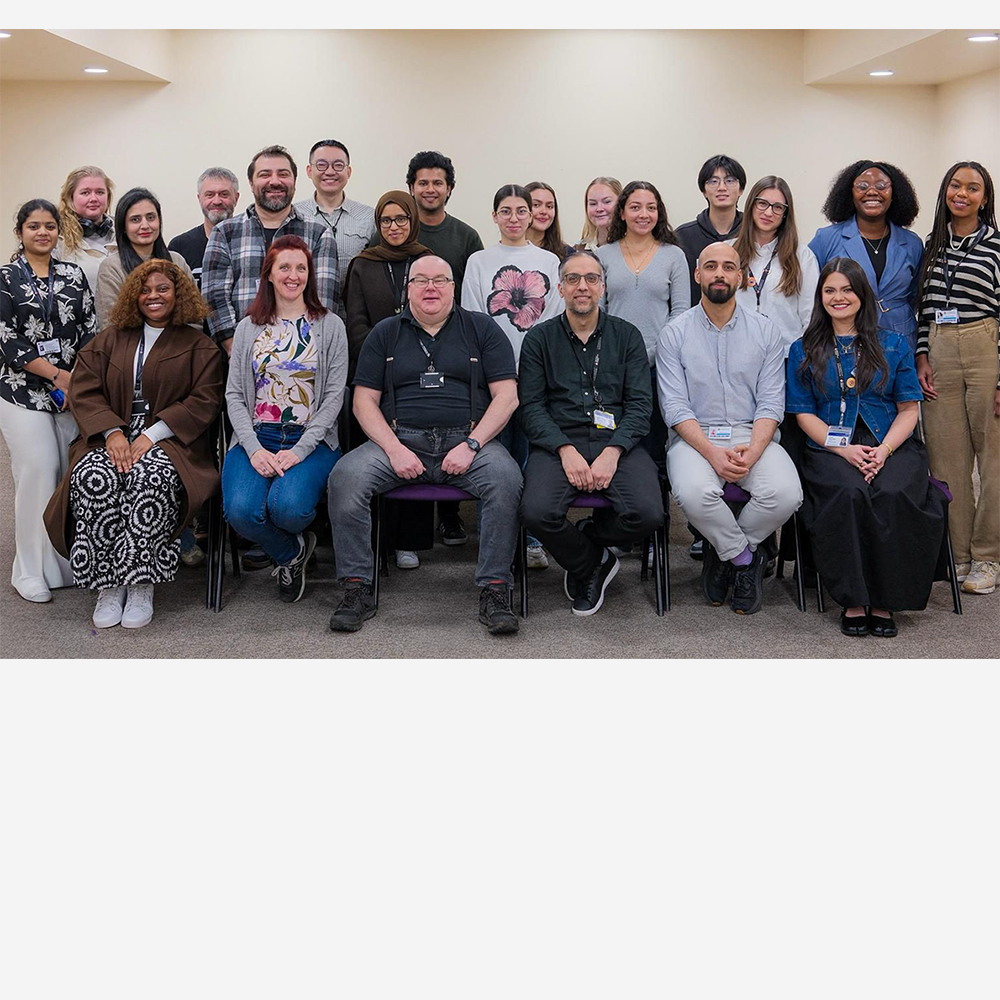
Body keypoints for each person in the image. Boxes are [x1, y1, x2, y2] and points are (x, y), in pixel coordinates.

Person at [327, 255, 522, 635]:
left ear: (453, 287)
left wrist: (472, 444)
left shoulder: (483, 329)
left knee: (506, 480)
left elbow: (507, 397)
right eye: (421, 280)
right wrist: (394, 449)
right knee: (345, 478)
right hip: (398, 442)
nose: (430, 287)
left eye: (439, 280)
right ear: (408, 289)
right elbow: (363, 402)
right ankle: (356, 588)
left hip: (468, 442)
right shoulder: (384, 333)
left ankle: (496, 590)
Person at [43, 260, 224, 629]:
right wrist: (111, 432)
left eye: (163, 289)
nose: (153, 296)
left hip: (171, 441)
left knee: (148, 478)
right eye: (145, 290)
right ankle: (108, 584)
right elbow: (84, 390)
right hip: (108, 436)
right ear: (133, 296)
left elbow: (204, 400)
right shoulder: (110, 339)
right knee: (93, 476)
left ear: (178, 294)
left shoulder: (199, 346)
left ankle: (141, 583)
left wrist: (151, 435)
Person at [786, 258, 946, 636]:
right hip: (830, 446)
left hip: (890, 443)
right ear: (820, 297)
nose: (838, 297)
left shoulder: (894, 343)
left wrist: (884, 451)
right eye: (829, 290)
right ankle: (854, 600)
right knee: (849, 492)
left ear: (862, 294)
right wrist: (843, 450)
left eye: (847, 289)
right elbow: (803, 414)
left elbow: (909, 410)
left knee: (892, 492)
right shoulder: (803, 348)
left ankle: (886, 599)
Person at [657, 242, 803, 615]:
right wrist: (711, 453)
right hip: (695, 438)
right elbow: (675, 407)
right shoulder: (674, 334)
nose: (719, 273)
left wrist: (753, 452)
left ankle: (724, 552)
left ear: (741, 277)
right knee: (694, 493)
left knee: (786, 494)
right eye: (710, 266)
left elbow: (771, 403)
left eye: (727, 267)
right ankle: (744, 559)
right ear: (697, 274)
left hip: (753, 435)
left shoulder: (766, 331)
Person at [519, 250, 662, 615]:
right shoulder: (538, 339)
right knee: (536, 512)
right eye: (573, 279)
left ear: (603, 287)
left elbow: (640, 406)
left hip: (617, 440)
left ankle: (588, 540)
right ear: (560, 288)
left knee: (648, 514)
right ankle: (592, 562)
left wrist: (613, 452)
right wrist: (564, 449)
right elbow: (531, 408)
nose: (582, 286)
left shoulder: (627, 336)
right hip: (558, 439)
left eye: (591, 278)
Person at [222, 236, 347, 602]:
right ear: (269, 274)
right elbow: (234, 395)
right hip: (257, 435)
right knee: (241, 513)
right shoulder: (248, 327)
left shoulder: (330, 326)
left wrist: (300, 451)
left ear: (310, 275)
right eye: (285, 268)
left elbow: (333, 397)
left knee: (288, 510)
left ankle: (293, 540)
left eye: (301, 268)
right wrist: (253, 448)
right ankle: (292, 553)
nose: (293, 275)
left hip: (312, 439)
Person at [462, 184, 565, 570]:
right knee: (493, 457)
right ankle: (494, 539)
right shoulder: (478, 261)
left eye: (522, 211)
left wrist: (531, 368)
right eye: (505, 211)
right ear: (494, 216)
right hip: (492, 378)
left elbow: (554, 319)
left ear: (532, 215)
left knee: (531, 456)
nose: (514, 218)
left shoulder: (549, 261)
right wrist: (498, 370)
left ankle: (533, 539)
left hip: (535, 376)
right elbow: (473, 318)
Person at [0, 199, 97, 603]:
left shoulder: (73, 275)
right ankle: (28, 570)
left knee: (67, 474)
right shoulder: (6, 278)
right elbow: (7, 339)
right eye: (34, 226)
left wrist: (79, 380)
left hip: (71, 391)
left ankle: (64, 562)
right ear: (20, 232)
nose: (43, 232)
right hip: (21, 389)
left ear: (59, 231)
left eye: (49, 226)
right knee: (39, 469)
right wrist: (57, 375)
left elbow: (90, 330)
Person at [916, 161, 1000, 597]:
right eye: (955, 185)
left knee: (994, 459)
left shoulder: (997, 245)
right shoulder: (931, 245)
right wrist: (922, 355)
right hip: (939, 348)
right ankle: (959, 552)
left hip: (986, 346)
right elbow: (923, 308)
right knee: (946, 459)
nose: (962, 193)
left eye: (973, 188)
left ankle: (988, 555)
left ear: (985, 198)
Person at [344, 190, 431, 571]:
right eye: (386, 220)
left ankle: (409, 541)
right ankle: (377, 542)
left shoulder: (428, 260)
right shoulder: (363, 264)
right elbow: (355, 322)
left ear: (412, 220)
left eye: (401, 219)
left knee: (417, 450)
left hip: (420, 375)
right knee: (378, 454)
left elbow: (439, 316)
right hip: (375, 375)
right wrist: (385, 358)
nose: (394, 227)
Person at [405, 149, 484, 546]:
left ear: (450, 188)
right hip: (406, 341)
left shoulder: (466, 236)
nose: (430, 189)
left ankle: (451, 516)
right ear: (412, 188)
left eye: (438, 182)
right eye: (423, 182)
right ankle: (414, 530)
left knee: (452, 420)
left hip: (454, 341)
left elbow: (471, 294)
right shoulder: (399, 230)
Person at [202, 144, 339, 357]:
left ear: (294, 181)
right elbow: (214, 297)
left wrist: (296, 355)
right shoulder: (224, 233)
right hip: (238, 356)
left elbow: (322, 302)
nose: (274, 181)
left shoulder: (319, 234)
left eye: (283, 174)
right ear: (251, 183)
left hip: (303, 357)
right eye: (265, 174)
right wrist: (237, 351)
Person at [596, 181, 690, 479]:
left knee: (653, 441)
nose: (643, 214)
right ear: (622, 212)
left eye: (651, 208)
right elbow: (598, 311)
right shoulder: (603, 255)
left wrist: (653, 353)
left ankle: (656, 502)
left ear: (659, 213)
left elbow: (680, 312)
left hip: (659, 365)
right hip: (612, 363)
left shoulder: (673, 256)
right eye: (635, 207)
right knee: (611, 437)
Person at [809, 159, 923, 351]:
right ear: (849, 193)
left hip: (902, 341)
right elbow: (811, 291)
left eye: (881, 186)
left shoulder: (912, 243)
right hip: (845, 340)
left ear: (894, 193)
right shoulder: (825, 239)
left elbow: (914, 294)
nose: (872, 192)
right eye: (862, 186)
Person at [730, 175, 820, 355]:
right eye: (762, 203)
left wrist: (803, 356)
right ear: (751, 205)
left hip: (786, 355)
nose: (769, 213)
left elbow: (811, 316)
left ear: (786, 213)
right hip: (736, 354)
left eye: (778, 207)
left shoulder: (802, 257)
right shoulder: (728, 252)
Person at [95, 187, 194, 330]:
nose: (145, 225)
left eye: (151, 217)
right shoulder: (111, 268)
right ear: (123, 227)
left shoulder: (177, 261)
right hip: (129, 343)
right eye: (135, 220)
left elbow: (194, 317)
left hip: (180, 342)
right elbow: (110, 326)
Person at [294, 139, 376, 304]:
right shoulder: (294, 215)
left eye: (338, 165)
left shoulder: (369, 216)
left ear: (348, 171)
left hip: (354, 311)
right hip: (305, 309)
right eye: (321, 165)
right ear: (309, 171)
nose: (330, 172)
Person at [675, 154, 747, 305]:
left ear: (741, 189)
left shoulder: (752, 233)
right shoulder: (683, 237)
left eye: (730, 181)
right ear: (704, 190)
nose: (722, 188)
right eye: (713, 181)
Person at [167, 167, 241, 289]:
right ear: (199, 198)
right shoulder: (179, 247)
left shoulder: (251, 244)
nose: (217, 201)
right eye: (209, 195)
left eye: (224, 194)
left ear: (236, 198)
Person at [53, 166, 116, 293]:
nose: (93, 199)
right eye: (85, 193)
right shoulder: (57, 238)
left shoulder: (124, 230)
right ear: (70, 198)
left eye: (100, 192)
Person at [525, 181, 573, 260]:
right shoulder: (509, 250)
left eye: (549, 206)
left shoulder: (567, 254)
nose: (544, 211)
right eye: (536, 205)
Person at [579, 177, 622, 250]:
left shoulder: (632, 247)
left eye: (607, 202)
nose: (599, 209)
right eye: (593, 203)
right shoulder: (580, 248)